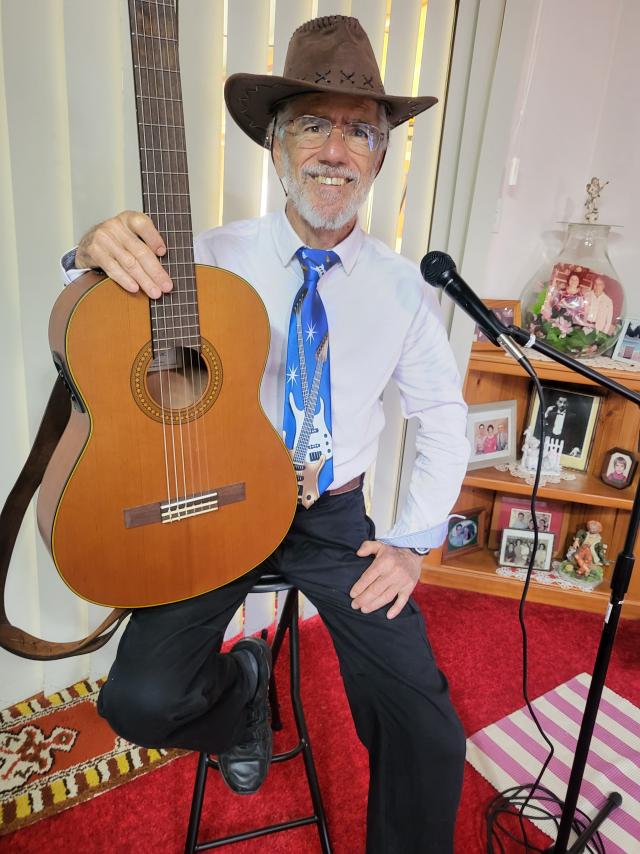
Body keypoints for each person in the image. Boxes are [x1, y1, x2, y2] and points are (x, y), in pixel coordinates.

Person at [60, 16, 469, 853]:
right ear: (275, 143)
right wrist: (89, 253)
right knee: (137, 702)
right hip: (217, 502)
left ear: (380, 156)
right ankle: (243, 693)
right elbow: (86, 315)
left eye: (360, 131)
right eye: (313, 125)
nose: (336, 151)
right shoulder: (204, 258)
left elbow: (442, 419)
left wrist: (411, 542)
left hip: (332, 518)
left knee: (428, 730)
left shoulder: (405, 292)